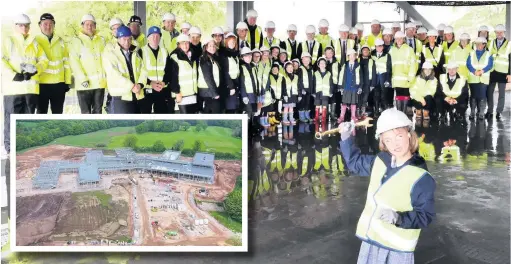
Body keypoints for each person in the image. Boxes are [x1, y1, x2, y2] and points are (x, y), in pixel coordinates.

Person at [338, 108, 435, 264]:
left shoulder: (421, 177)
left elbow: (425, 215)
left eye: (399, 136)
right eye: (388, 140)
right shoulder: (381, 160)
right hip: (370, 242)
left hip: (397, 251)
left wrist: (399, 218)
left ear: (409, 134)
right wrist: (346, 138)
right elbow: (355, 164)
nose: (394, 144)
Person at [2, 13, 48, 153]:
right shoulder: (7, 41)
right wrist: (13, 75)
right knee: (11, 120)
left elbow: (44, 61)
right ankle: (10, 150)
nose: (24, 28)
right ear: (15, 26)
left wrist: (35, 71)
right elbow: (1, 61)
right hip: (13, 89)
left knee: (26, 121)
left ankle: (23, 149)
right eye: (21, 25)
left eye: (27, 25)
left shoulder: (34, 43)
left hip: (30, 88)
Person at [102, 25, 146, 114]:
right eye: (123, 39)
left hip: (136, 95)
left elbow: (143, 69)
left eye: (129, 39)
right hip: (120, 97)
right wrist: (131, 86)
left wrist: (140, 84)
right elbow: (113, 74)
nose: (127, 42)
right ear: (118, 39)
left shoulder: (135, 52)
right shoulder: (110, 53)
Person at [68, 14, 107, 114]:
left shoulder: (101, 40)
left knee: (98, 112)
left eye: (92, 24)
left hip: (99, 84)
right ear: (82, 26)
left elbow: (106, 59)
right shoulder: (76, 41)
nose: (89, 27)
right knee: (86, 113)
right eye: (87, 24)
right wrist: (82, 79)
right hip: (84, 85)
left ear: (95, 26)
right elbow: (74, 62)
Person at [35, 13, 71, 114]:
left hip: (58, 85)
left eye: (51, 24)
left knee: (58, 114)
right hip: (42, 85)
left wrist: (67, 82)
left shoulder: (60, 41)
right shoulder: (35, 41)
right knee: (41, 115)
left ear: (54, 25)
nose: (48, 26)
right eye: (45, 24)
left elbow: (66, 63)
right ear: (40, 25)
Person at [164, 34, 199, 114]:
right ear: (178, 45)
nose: (185, 45)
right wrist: (177, 92)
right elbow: (172, 77)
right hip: (181, 94)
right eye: (182, 43)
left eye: (187, 43)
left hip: (191, 93)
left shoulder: (192, 55)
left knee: (192, 120)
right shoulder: (174, 57)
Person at [139, 26, 169, 114]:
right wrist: (150, 83)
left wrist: (164, 82)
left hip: (161, 89)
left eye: (157, 36)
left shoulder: (164, 51)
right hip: (147, 90)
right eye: (152, 36)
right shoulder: (141, 51)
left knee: (161, 117)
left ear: (160, 38)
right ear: (148, 38)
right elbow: (139, 72)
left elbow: (168, 70)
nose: (155, 38)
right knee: (145, 116)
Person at [389, 31, 417, 114]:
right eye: (397, 38)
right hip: (396, 78)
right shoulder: (392, 50)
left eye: (401, 38)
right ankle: (399, 114)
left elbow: (413, 64)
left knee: (405, 96)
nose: (399, 40)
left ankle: (403, 114)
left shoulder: (409, 49)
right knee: (398, 96)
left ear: (404, 39)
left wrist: (410, 77)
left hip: (406, 78)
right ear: (395, 39)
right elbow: (389, 65)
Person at [487, 24, 510, 121]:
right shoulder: (491, 43)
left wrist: (510, 74)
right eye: (497, 32)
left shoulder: (509, 44)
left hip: (503, 72)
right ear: (495, 33)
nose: (499, 33)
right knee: (489, 92)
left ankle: (499, 112)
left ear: (504, 32)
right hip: (492, 71)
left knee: (501, 94)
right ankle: (490, 111)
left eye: (501, 32)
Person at [467, 37, 493, 121]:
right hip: (473, 78)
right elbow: (468, 64)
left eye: (480, 43)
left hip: (483, 78)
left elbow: (490, 65)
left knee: (482, 96)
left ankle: (481, 113)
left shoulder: (488, 54)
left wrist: (481, 71)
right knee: (473, 96)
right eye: (477, 43)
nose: (478, 45)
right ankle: (472, 112)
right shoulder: (471, 53)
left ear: (484, 45)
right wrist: (474, 71)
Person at [198, 37, 223, 114]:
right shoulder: (204, 59)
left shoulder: (212, 58)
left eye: (213, 46)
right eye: (210, 46)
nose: (212, 48)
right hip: (208, 93)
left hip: (210, 92)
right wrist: (215, 93)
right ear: (205, 47)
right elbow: (208, 78)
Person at [338, 49, 363, 123]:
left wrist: (360, 87)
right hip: (346, 86)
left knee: (353, 102)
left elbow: (361, 77)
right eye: (350, 55)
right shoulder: (344, 65)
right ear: (348, 57)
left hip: (355, 87)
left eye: (353, 55)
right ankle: (342, 116)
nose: (352, 57)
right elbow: (341, 76)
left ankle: (353, 116)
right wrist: (341, 87)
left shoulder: (358, 66)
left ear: (355, 56)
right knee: (344, 102)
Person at [219, 32, 240, 113]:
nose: (232, 43)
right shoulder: (224, 54)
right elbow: (225, 72)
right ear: (226, 42)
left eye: (234, 42)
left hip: (236, 84)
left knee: (235, 108)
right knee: (230, 108)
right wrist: (231, 87)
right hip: (229, 86)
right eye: (230, 42)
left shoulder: (235, 54)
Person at [371, 38, 393, 113]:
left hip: (384, 77)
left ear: (383, 46)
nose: (379, 48)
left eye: (380, 46)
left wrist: (388, 80)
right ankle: (376, 110)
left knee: (384, 94)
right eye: (377, 46)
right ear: (375, 47)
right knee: (376, 94)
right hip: (376, 77)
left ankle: (385, 110)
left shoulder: (387, 55)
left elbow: (389, 68)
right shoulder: (372, 55)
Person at [312, 57, 334, 131]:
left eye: (323, 63)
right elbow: (313, 84)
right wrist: (313, 92)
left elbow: (331, 84)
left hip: (326, 92)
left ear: (325, 65)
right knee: (317, 104)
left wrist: (331, 91)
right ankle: (316, 117)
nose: (322, 64)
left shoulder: (329, 73)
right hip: (317, 92)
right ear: (318, 65)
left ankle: (324, 117)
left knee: (324, 105)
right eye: (320, 63)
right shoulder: (315, 73)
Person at [239, 46, 260, 118]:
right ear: (242, 57)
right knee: (248, 112)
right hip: (247, 94)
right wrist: (244, 95)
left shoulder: (253, 67)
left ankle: (251, 128)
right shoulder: (241, 67)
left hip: (254, 94)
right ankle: (247, 128)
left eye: (250, 55)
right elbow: (241, 83)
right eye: (246, 56)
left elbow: (255, 81)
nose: (249, 57)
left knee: (253, 112)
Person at [358, 45, 376, 117]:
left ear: (369, 52)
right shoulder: (358, 60)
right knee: (359, 97)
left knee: (365, 97)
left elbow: (374, 73)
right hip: (359, 82)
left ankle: (363, 111)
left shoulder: (372, 61)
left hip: (368, 82)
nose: (365, 51)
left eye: (367, 50)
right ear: (361, 51)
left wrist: (372, 84)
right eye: (364, 50)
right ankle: (357, 112)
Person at [298, 52, 314, 123]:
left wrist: (312, 90)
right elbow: (299, 81)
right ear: (302, 60)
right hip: (303, 90)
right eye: (305, 60)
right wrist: (301, 89)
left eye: (308, 60)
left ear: (310, 60)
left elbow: (312, 80)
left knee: (307, 103)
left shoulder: (311, 69)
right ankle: (301, 117)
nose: (306, 61)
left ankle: (307, 116)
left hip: (309, 90)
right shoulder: (300, 69)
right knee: (302, 103)